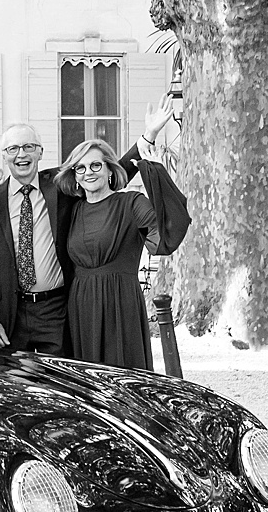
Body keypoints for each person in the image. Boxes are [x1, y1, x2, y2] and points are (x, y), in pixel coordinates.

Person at [56, 138, 181, 370]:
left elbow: (165, 235)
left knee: (123, 373)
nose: (88, 172)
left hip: (120, 303)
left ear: (110, 169)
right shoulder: (72, 209)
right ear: (74, 176)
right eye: (80, 168)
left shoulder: (131, 203)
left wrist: (155, 173)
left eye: (96, 165)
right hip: (81, 307)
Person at [0, 123, 75, 355]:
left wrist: (147, 139)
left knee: (56, 376)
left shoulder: (61, 186)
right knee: (12, 377)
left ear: (40, 152)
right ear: (4, 156)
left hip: (55, 311)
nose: (21, 154)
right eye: (13, 148)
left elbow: (105, 173)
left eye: (28, 147)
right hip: (8, 314)